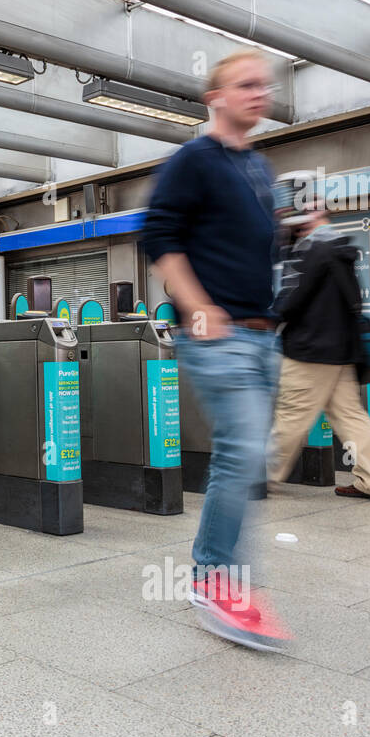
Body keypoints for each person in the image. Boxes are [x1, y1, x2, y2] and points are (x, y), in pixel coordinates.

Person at [140, 48, 290, 652]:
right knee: (243, 454)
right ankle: (215, 580)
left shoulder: (258, 166)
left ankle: (218, 573)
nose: (259, 94)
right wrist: (198, 308)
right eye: (245, 85)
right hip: (218, 335)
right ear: (216, 98)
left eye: (265, 86)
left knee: (249, 457)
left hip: (261, 335)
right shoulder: (193, 161)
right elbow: (159, 235)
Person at [268, 199, 370, 501]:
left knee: (291, 414)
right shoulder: (339, 250)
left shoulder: (313, 251)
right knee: (351, 416)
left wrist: (267, 320)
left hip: (311, 350)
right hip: (342, 350)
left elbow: (291, 299)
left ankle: (261, 477)